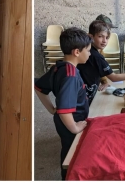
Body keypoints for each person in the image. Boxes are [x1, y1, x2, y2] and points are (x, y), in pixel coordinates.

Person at [34, 27, 91, 180]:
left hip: (64, 121)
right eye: (88, 50)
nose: (90, 53)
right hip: (71, 122)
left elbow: (39, 87)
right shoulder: (70, 75)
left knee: (67, 149)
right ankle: (67, 178)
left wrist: (52, 109)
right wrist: (74, 128)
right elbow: (65, 110)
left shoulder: (58, 67)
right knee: (71, 155)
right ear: (77, 52)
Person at [77, 21, 125, 104]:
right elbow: (114, 77)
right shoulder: (96, 56)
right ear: (91, 36)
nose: (104, 41)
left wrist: (104, 81)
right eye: (100, 36)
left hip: (84, 95)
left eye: (107, 37)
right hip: (85, 100)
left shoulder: (91, 51)